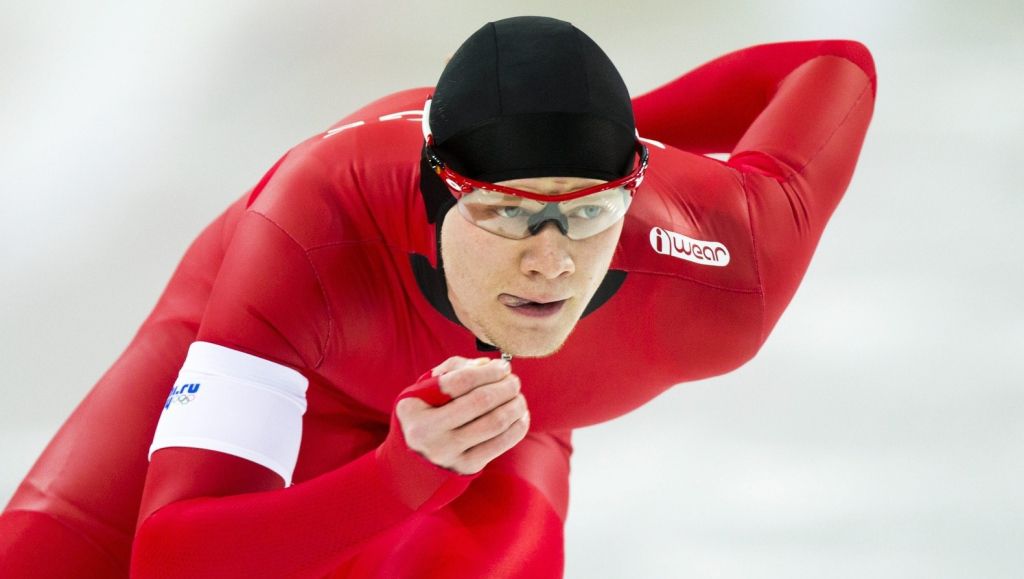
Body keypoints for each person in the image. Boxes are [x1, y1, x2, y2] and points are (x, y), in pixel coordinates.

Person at [0, 16, 876, 578]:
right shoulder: (312, 232)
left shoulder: (723, 265)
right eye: (505, 212)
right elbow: (175, 558)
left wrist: (574, 128)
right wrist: (394, 478)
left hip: (503, 415)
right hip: (316, 333)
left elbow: (833, 63)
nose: (551, 264)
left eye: (588, 212)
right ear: (435, 192)